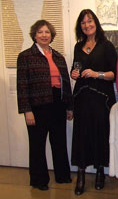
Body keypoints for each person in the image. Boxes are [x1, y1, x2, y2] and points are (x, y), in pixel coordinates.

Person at [17, 20, 73, 191]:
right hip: (37, 106)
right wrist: (27, 110)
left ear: (51, 35)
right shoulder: (26, 56)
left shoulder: (58, 56)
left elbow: (66, 83)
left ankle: (62, 175)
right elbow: (22, 85)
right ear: (34, 35)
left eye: (47, 32)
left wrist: (69, 107)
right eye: (40, 32)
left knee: (59, 141)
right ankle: (39, 180)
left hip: (58, 103)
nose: (44, 35)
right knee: (37, 144)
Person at [70, 9, 117, 195]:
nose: (87, 25)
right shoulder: (77, 46)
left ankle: (100, 172)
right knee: (81, 135)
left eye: (89, 21)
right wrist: (74, 73)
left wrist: (96, 74)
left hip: (101, 98)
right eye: (83, 22)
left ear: (96, 23)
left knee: (99, 134)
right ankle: (81, 174)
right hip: (82, 97)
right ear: (80, 27)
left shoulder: (107, 46)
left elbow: (114, 74)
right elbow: (76, 67)